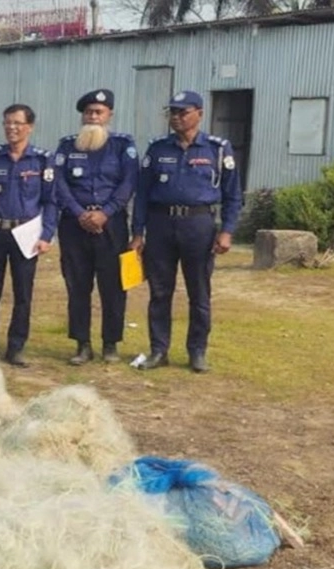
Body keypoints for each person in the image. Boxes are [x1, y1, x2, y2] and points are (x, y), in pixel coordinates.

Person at [131, 90, 242, 373]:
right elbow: (142, 193)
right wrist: (138, 233)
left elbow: (233, 194)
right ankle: (159, 350)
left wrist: (227, 231)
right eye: (173, 112)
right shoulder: (157, 149)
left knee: (199, 293)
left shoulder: (217, 148)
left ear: (199, 114)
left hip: (199, 226)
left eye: (183, 112)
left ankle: (197, 352)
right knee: (159, 292)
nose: (177, 117)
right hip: (161, 224)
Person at [53, 88, 138, 365]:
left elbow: (128, 183)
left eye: (99, 112)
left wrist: (106, 213)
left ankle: (110, 344)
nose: (93, 116)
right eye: (88, 112)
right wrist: (79, 214)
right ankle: (82, 344)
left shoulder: (123, 145)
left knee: (113, 286)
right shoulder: (67, 146)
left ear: (109, 115)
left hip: (111, 226)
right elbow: (59, 184)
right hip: (74, 226)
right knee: (77, 286)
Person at [0, 104, 57, 366]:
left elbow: (51, 201)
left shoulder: (42, 160)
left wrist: (47, 235)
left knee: (23, 294)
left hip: (26, 235)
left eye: (18, 123)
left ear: (29, 126)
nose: (12, 128)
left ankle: (16, 347)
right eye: (7, 123)